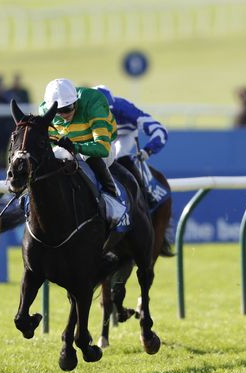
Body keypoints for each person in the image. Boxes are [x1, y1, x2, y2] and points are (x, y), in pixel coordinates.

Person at [40, 78, 123, 258]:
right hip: (69, 146)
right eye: (59, 111)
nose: (64, 114)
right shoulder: (45, 110)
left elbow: (102, 148)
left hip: (102, 147)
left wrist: (75, 147)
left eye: (68, 108)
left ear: (76, 101)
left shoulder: (94, 103)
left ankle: (113, 197)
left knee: (90, 158)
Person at [93, 85, 168, 209]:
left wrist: (148, 150)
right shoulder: (84, 110)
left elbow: (160, 130)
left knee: (117, 156)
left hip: (125, 135)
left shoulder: (124, 108)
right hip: (102, 134)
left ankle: (144, 194)